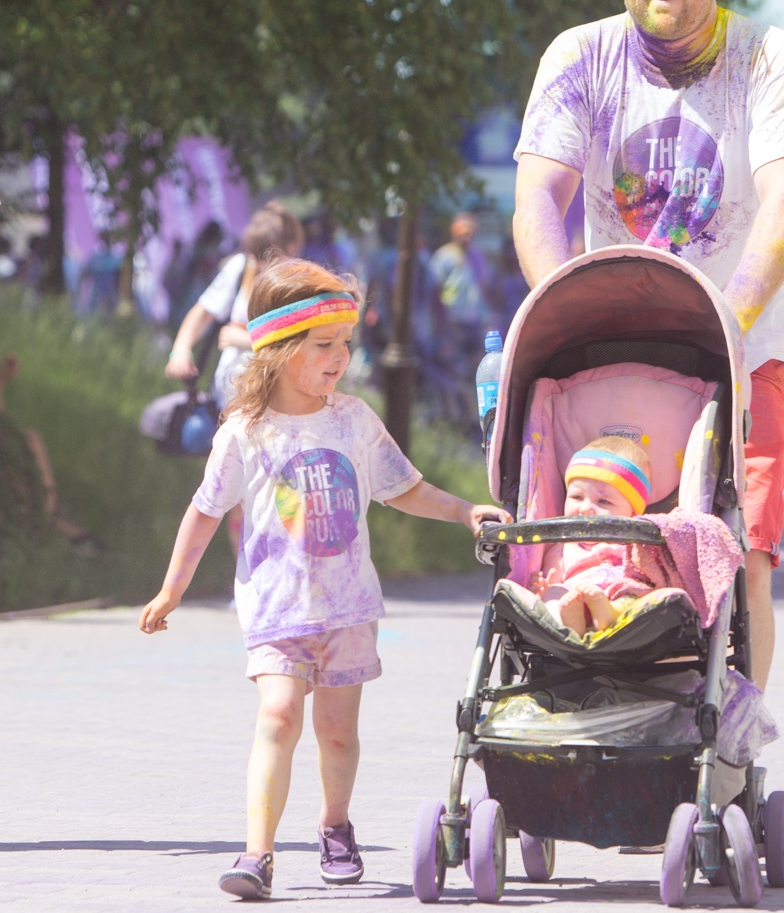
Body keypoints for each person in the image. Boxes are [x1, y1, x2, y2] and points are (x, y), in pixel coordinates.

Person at [511, 0, 784, 690]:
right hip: (613, 349)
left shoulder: (767, 58)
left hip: (745, 350)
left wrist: (726, 320)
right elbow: (538, 198)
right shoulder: (580, 57)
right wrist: (562, 306)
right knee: (581, 529)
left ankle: (738, 715)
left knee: (745, 553)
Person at [138, 259, 511, 898]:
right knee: (278, 716)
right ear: (280, 349)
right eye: (324, 345)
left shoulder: (355, 421)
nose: (341, 357)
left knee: (337, 732)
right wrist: (172, 588)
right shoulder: (244, 433)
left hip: (346, 608)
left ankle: (335, 825)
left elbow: (406, 487)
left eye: (345, 343)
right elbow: (203, 514)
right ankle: (257, 854)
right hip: (277, 607)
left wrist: (461, 510)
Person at [166, 202, 304, 407]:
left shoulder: (298, 285)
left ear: (289, 250)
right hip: (226, 400)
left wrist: (248, 339)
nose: (257, 264)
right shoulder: (240, 268)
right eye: (254, 255)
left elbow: (298, 344)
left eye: (264, 256)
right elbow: (203, 312)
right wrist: (181, 350)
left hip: (271, 406)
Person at [528, 436, 655, 635]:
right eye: (577, 497)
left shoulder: (636, 544)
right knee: (553, 595)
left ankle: (606, 615)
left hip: (617, 599)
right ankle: (571, 626)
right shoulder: (563, 548)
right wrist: (544, 587)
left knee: (641, 595)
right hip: (573, 599)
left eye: (603, 502)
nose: (586, 508)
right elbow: (554, 580)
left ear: (632, 514)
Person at [428, 211, 493, 419]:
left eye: (470, 232)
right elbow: (434, 293)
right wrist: (443, 325)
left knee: (475, 370)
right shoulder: (443, 257)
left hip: (474, 322)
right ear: (453, 232)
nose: (467, 236)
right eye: (462, 232)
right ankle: (455, 416)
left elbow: (484, 288)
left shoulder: (477, 257)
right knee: (454, 369)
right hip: (453, 322)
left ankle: (474, 417)